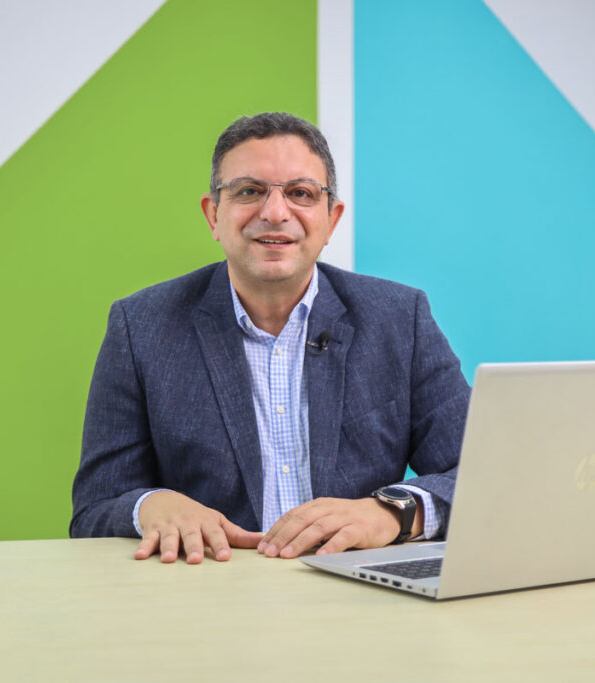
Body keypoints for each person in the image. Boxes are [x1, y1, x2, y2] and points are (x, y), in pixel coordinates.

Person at [70, 112, 471, 565]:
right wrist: (150, 506)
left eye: (301, 193)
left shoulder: (399, 319)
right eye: (248, 191)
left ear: (331, 219)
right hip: (207, 589)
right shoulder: (141, 326)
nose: (275, 213)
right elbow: (94, 509)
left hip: (356, 588)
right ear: (213, 215)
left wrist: (392, 513)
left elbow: (481, 473)